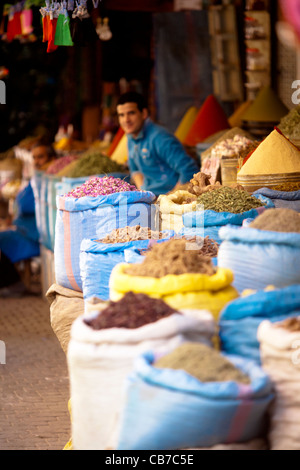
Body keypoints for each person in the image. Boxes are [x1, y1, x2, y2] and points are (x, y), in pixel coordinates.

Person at [0, 139, 57, 298]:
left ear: (52, 158)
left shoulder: (51, 180)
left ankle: (12, 284)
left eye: (41, 157)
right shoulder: (38, 177)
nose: (36, 162)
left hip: (33, 236)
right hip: (22, 231)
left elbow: (27, 205)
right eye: (34, 157)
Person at [116, 91, 199, 196]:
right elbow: (134, 170)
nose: (126, 120)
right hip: (150, 198)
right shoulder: (131, 137)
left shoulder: (160, 138)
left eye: (131, 113)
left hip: (167, 199)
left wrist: (171, 198)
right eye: (121, 115)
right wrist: (143, 191)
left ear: (144, 114)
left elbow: (189, 170)